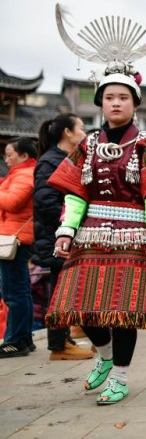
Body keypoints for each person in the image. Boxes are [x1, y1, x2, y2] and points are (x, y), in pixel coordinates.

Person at [46, 67, 146, 404]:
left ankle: (120, 376)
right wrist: (66, 231)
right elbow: (76, 194)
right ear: (100, 103)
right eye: (109, 98)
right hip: (90, 234)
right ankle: (104, 355)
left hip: (133, 235)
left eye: (123, 97)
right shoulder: (88, 144)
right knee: (79, 307)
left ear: (135, 104)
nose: (116, 103)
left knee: (123, 311)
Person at [32, 114, 94, 360]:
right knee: (61, 291)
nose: (84, 132)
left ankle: (66, 337)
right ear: (67, 132)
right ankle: (58, 345)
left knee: (68, 289)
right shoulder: (50, 162)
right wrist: (70, 226)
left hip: (69, 237)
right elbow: (45, 203)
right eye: (81, 127)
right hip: (59, 239)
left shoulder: (70, 158)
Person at [0, 137, 37, 358]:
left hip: (14, 240)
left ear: (24, 156)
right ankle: (23, 338)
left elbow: (12, 202)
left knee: (14, 292)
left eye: (9, 154)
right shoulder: (20, 174)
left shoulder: (25, 175)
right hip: (15, 238)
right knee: (19, 290)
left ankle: (15, 341)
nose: (6, 159)